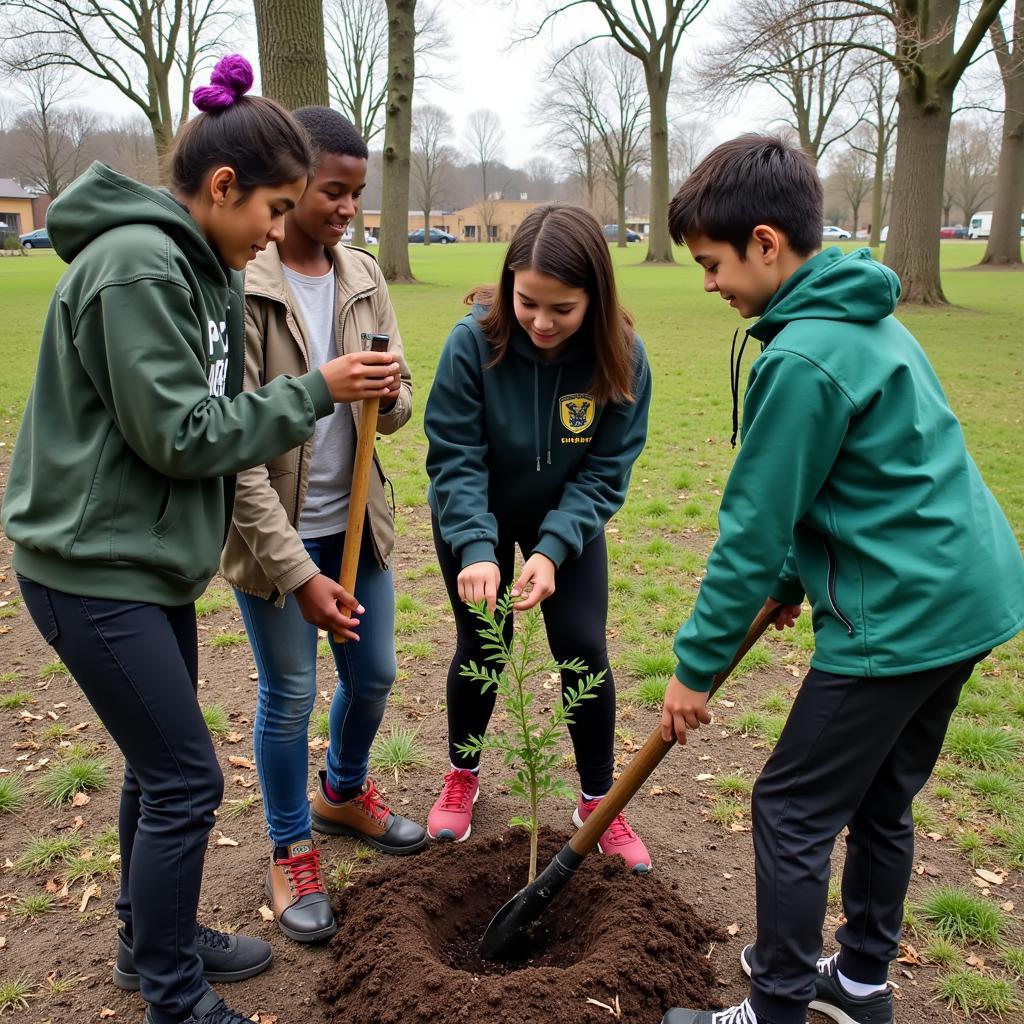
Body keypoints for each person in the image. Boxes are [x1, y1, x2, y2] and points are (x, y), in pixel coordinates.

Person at [0, 56, 399, 1024]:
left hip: (147, 564)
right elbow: (182, 434)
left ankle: (154, 945)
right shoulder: (138, 265)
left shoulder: (200, 265)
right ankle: (176, 996)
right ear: (223, 187)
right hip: (91, 568)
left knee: (158, 770)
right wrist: (315, 390)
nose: (276, 229)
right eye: (273, 207)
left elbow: (210, 416)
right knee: (186, 779)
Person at [657, 135, 1024, 1024]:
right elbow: (840, 484)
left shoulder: (802, 357)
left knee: (788, 807)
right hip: (970, 595)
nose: (709, 284)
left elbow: (750, 529)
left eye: (712, 263)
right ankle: (860, 986)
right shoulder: (869, 321)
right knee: (880, 795)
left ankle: (777, 1006)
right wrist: (791, 580)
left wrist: (694, 668)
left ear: (767, 242)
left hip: (899, 616)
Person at [220, 106, 424, 945]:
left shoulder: (365, 273)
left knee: (372, 675)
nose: (346, 209)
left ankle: (341, 791)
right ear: (293, 184)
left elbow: (401, 395)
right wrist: (296, 573)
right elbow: (229, 447)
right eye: (331, 192)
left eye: (356, 194)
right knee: (290, 693)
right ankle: (289, 843)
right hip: (274, 530)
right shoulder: (244, 281)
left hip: (355, 524)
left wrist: (391, 395)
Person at [423, 204, 655, 872]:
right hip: (478, 514)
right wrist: (474, 547)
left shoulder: (621, 359)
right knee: (483, 642)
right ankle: (462, 773)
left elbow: (606, 471)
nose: (543, 323)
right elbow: (455, 454)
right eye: (528, 303)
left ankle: (597, 802)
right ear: (507, 283)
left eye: (563, 309)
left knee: (582, 647)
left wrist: (553, 550)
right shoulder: (473, 342)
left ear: (596, 299)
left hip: (566, 519)